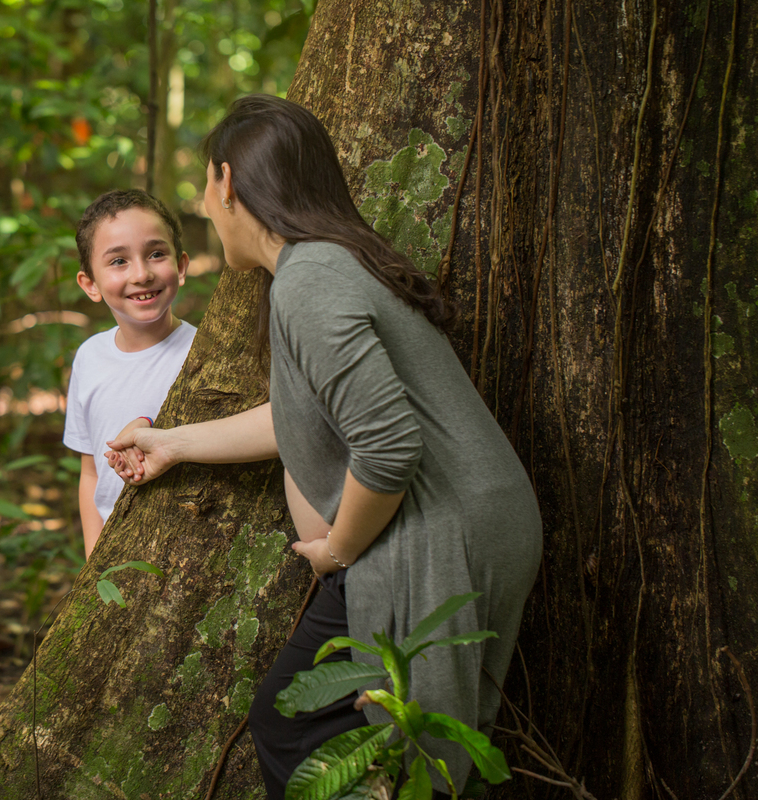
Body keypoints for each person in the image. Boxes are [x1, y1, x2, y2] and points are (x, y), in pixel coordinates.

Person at [105, 96, 542, 797]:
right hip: (461, 523)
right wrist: (173, 444)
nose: (206, 208)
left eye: (205, 190)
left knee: (373, 749)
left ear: (227, 183)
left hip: (435, 537)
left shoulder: (308, 281)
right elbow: (307, 417)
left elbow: (389, 447)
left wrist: (340, 548)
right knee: (362, 741)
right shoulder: (325, 267)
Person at [64, 189, 197, 557]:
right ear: (90, 283)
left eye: (156, 254)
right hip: (116, 551)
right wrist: (94, 558)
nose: (142, 273)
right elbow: (90, 471)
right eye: (118, 261)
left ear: (181, 265)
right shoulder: (90, 357)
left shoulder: (201, 353)